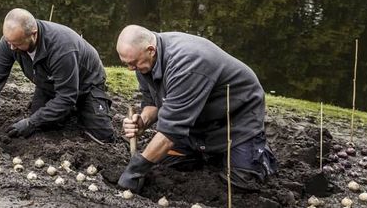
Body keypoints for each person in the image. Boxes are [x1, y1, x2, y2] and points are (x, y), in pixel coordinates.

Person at [115, 25, 278, 191]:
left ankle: (258, 153)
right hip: (197, 119)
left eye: (133, 63)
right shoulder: (144, 60)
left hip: (235, 118)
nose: (131, 69)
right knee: (164, 164)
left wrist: (135, 170)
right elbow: (152, 102)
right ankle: (206, 152)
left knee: (240, 184)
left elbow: (170, 132)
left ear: (151, 50)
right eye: (127, 64)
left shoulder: (186, 63)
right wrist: (143, 120)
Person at [0, 9, 114, 142]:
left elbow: (66, 97)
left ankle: (81, 108)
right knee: (43, 123)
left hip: (87, 83)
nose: (11, 47)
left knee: (102, 136)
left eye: (16, 44)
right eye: (8, 42)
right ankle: (65, 111)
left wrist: (30, 122)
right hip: (48, 81)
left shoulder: (62, 48)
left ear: (34, 34)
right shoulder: (10, 41)